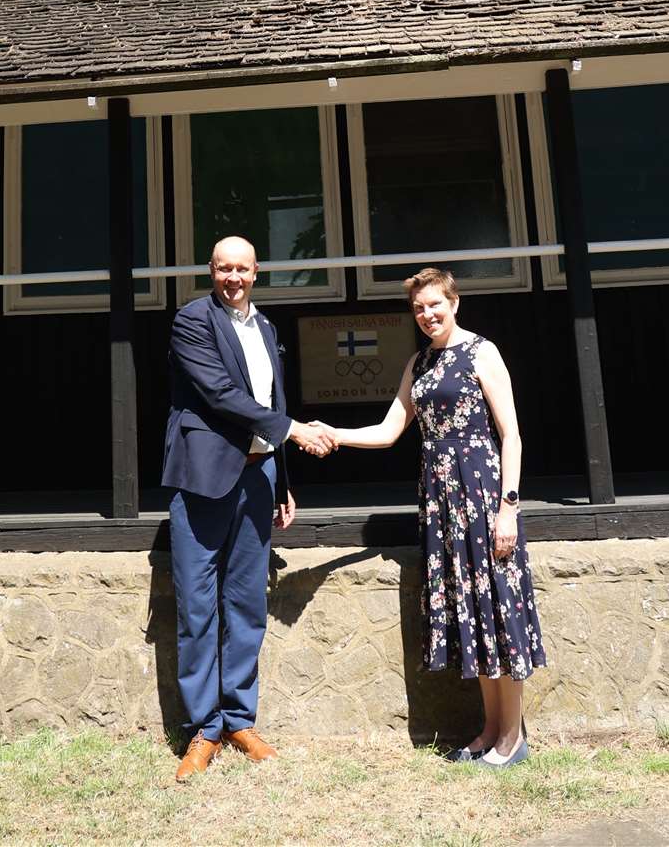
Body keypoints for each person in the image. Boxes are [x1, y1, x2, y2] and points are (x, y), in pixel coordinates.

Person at [321, 267, 545, 768]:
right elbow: (388, 430)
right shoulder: (418, 363)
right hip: (442, 504)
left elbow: (511, 433)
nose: (427, 315)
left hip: (484, 496)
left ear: (454, 302)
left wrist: (508, 506)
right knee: (472, 610)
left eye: (435, 305)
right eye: (419, 308)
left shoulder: (481, 352)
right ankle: (490, 729)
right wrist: (334, 433)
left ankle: (513, 739)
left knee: (497, 608)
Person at [162, 235, 335, 783]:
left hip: (257, 477)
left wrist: (281, 477)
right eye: (222, 268)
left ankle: (239, 719)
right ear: (210, 271)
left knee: (245, 604)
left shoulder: (267, 328)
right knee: (197, 607)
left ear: (256, 271)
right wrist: (293, 430)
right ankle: (204, 728)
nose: (232, 277)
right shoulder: (192, 321)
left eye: (241, 268)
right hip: (202, 479)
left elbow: (270, 405)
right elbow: (219, 395)